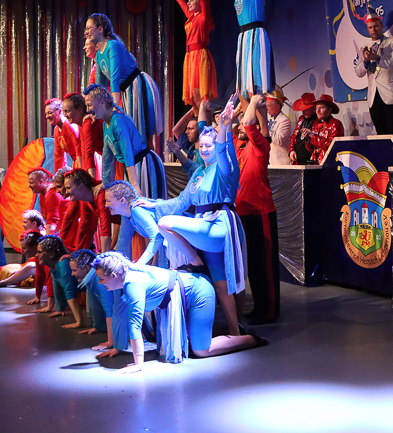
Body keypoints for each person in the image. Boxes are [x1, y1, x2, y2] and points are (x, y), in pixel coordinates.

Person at [151, 98, 247, 337]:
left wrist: (224, 127)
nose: (204, 150)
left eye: (208, 146)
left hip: (219, 225)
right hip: (203, 226)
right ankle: (235, 331)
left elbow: (225, 151)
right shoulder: (198, 173)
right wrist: (151, 203)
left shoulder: (225, 168)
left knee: (165, 223)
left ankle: (194, 260)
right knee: (221, 284)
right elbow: (179, 203)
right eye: (201, 146)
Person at [93, 252, 265, 373]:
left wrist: (138, 364)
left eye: (101, 279)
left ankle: (251, 339)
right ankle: (219, 334)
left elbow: (134, 325)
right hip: (187, 293)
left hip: (199, 292)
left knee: (201, 350)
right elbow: (120, 314)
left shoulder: (133, 285)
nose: (100, 283)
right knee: (193, 342)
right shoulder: (127, 278)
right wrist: (118, 347)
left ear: (114, 275)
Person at [85, 13, 163, 149]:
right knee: (133, 136)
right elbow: (99, 88)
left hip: (139, 86)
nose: (86, 32)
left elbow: (114, 79)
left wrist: (114, 110)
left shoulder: (112, 46)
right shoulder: (99, 55)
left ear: (100, 29)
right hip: (128, 91)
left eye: (89, 28)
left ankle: (151, 162)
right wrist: (92, 110)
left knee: (143, 134)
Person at [235, 95, 280, 323]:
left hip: (261, 212)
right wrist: (240, 108)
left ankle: (269, 311)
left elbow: (253, 126)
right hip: (243, 212)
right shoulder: (239, 148)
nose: (242, 125)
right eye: (240, 123)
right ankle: (259, 307)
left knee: (266, 266)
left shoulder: (261, 145)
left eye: (244, 122)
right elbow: (226, 132)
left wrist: (253, 104)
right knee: (252, 264)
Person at [84, 83, 167, 200]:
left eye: (89, 105)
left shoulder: (118, 121)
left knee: (145, 203)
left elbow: (127, 152)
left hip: (144, 165)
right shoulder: (106, 124)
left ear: (102, 103)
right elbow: (107, 155)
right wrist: (106, 182)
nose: (87, 110)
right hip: (134, 168)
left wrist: (134, 184)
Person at [163, 0, 218, 109]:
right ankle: (198, 120)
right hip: (189, 57)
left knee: (202, 95)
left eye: (192, 0)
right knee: (193, 96)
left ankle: (205, 121)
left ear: (200, 2)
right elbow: (180, 0)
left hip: (200, 56)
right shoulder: (191, 17)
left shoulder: (204, 16)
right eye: (189, 0)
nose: (188, 3)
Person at [353, 5, 393, 135]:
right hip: (374, 98)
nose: (373, 29)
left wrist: (378, 58)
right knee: (381, 134)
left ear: (381, 26)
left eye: (376, 26)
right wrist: (366, 62)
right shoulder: (365, 48)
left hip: (391, 94)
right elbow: (358, 72)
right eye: (370, 27)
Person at [104, 180, 168, 268]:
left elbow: (157, 236)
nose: (106, 205)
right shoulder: (129, 214)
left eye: (108, 201)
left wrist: (138, 265)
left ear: (122, 200)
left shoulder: (136, 209)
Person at [0, 210, 46, 290]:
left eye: (25, 222)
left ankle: (2, 283)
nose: (23, 225)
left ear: (34, 223)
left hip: (42, 267)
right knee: (6, 269)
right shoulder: (31, 235)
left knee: (30, 266)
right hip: (34, 265)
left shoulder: (43, 237)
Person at [70, 249, 115, 350]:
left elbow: (111, 311)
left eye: (74, 270)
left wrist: (111, 341)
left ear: (86, 268)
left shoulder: (99, 280)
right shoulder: (90, 278)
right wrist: (97, 326)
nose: (72, 274)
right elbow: (95, 305)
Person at [35, 235, 83, 329]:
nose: (37, 255)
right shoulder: (53, 265)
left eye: (40, 252)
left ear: (51, 254)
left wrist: (79, 322)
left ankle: (80, 321)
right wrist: (60, 309)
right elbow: (57, 288)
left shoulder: (63, 264)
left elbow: (70, 292)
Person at [59, 169, 100, 252]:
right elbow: (83, 223)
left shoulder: (98, 195)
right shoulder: (83, 199)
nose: (66, 191)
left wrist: (110, 248)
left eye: (59, 186)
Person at [27, 168, 68, 235]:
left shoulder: (51, 193)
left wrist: (47, 239)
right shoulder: (43, 194)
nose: (29, 186)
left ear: (41, 181)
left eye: (31, 183)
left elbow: (52, 221)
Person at [307, 95, 344, 165]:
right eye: (316, 108)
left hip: (329, 163)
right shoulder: (316, 124)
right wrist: (308, 138)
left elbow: (332, 146)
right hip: (316, 163)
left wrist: (313, 137)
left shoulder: (335, 123)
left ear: (329, 110)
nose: (317, 111)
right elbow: (311, 149)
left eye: (321, 108)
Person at [45, 98, 80, 173]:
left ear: (60, 111)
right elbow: (59, 156)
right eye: (46, 114)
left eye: (50, 113)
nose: (47, 116)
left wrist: (81, 172)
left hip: (85, 161)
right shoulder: (56, 130)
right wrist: (57, 176)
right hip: (77, 163)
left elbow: (79, 149)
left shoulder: (69, 126)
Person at [288, 93, 317, 165]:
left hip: (311, 161)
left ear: (313, 108)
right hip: (298, 160)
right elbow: (294, 136)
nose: (303, 112)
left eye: (306, 109)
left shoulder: (318, 121)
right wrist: (292, 150)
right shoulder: (301, 119)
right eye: (303, 109)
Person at [265, 89, 292, 165]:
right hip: (271, 162)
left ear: (277, 106)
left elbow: (279, 140)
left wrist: (265, 128)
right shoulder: (270, 119)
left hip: (281, 163)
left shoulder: (285, 120)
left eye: (269, 106)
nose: (266, 109)